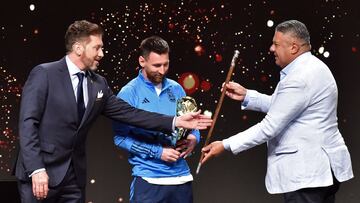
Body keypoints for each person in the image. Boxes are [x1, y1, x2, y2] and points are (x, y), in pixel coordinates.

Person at [15, 20, 212, 203]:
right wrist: (36, 169)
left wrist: (175, 122)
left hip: (74, 177)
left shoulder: (98, 84)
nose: (102, 53)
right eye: (97, 48)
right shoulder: (44, 74)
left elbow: (130, 114)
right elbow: (27, 123)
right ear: (78, 48)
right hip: (41, 173)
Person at [201, 20, 353, 203]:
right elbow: (287, 106)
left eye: (276, 44)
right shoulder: (312, 67)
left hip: (307, 176)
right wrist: (248, 95)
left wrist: (225, 145)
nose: (272, 48)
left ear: (294, 48)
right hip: (319, 171)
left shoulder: (300, 77)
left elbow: (269, 127)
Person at [113, 36, 198, 203]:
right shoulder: (128, 93)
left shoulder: (177, 88)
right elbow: (120, 138)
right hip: (149, 180)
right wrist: (158, 153)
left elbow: (190, 125)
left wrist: (194, 138)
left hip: (182, 179)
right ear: (142, 61)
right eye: (157, 65)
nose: (162, 70)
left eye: (166, 64)